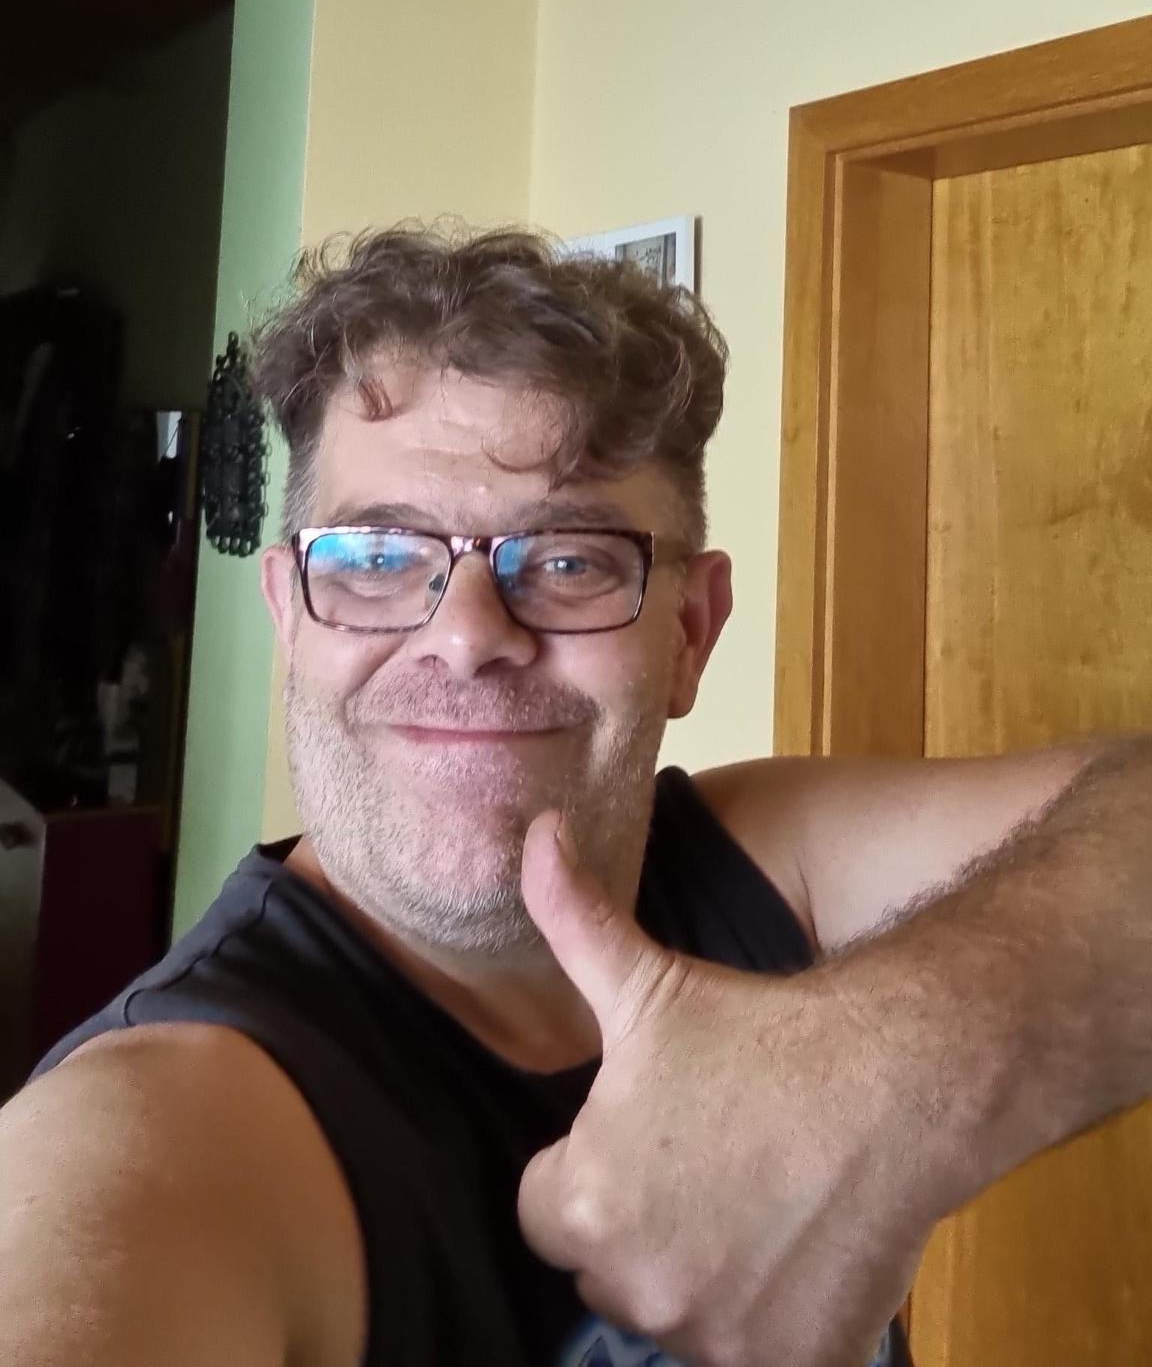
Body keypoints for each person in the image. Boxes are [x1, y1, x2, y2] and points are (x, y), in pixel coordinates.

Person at [2, 226, 1149, 1367]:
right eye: (379, 556)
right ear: (292, 616)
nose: (466, 636)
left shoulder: (771, 864)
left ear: (690, 630)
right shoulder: (158, 1125)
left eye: (566, 559)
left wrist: (875, 1080)